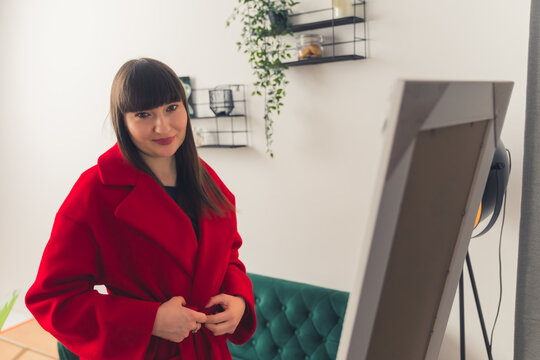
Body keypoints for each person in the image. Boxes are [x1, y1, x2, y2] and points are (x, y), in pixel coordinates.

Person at [25, 58, 256, 360]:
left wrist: (238, 299)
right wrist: (149, 320)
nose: (163, 126)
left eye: (172, 108)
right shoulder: (95, 190)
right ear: (123, 120)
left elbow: (228, 257)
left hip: (209, 350)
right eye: (144, 114)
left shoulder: (205, 178)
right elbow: (53, 298)